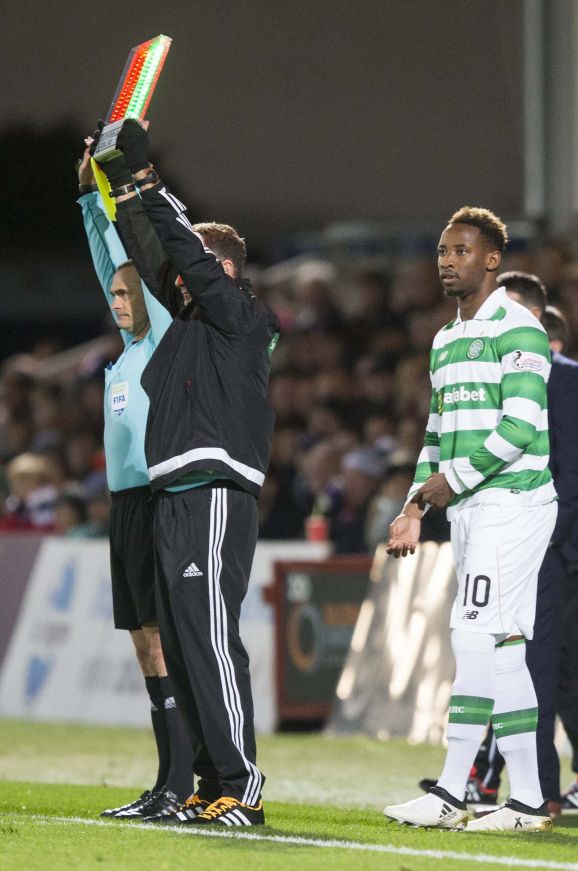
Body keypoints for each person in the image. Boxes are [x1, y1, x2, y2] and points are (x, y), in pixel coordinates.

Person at [97, 119, 280, 827]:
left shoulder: (241, 316)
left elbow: (181, 255)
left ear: (222, 266)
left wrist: (147, 179)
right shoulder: (191, 320)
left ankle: (241, 785)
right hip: (173, 493)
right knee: (183, 644)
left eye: (196, 263)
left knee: (209, 639)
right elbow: (152, 253)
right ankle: (208, 783)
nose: (177, 276)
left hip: (213, 492)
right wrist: (119, 187)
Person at [383, 208, 557, 832]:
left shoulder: (522, 329)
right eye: (440, 251)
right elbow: (435, 431)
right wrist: (413, 506)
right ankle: (530, 800)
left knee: (472, 637)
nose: (446, 261)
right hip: (472, 508)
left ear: (490, 260)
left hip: (513, 502)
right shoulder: (445, 338)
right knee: (504, 650)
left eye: (460, 251)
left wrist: (447, 484)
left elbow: (520, 428)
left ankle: (452, 791)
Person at [77, 142, 193, 819]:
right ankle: (165, 780)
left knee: (163, 640)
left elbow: (124, 259)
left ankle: (182, 779)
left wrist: (114, 193)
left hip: (157, 502)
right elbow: (104, 260)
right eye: (114, 294)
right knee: (144, 641)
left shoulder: (160, 342)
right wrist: (86, 199)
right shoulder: (122, 359)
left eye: (128, 292)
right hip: (125, 507)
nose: (119, 300)